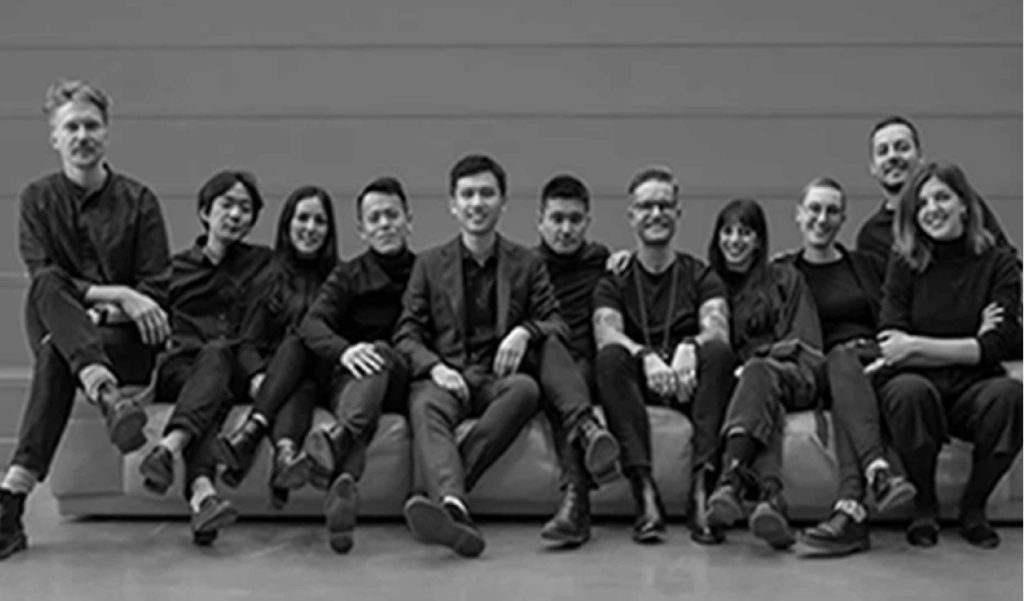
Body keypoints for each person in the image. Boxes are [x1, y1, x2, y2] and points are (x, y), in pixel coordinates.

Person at [396, 154, 609, 558]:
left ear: (503, 202)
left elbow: (557, 324)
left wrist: (524, 331)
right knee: (423, 404)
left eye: (487, 194)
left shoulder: (527, 263)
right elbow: (406, 334)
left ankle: (444, 498)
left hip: (499, 380)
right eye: (468, 195)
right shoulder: (428, 264)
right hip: (447, 378)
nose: (477, 203)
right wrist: (435, 367)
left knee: (526, 389)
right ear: (453, 204)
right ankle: (453, 506)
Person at [0, 79, 172, 560]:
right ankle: (107, 394)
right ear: (54, 138)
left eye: (91, 126)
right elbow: (44, 276)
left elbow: (157, 291)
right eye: (71, 127)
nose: (83, 136)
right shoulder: (36, 199)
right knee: (46, 285)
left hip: (126, 342)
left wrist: (102, 310)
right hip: (65, 320)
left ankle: (10, 498)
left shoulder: (140, 201)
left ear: (107, 133)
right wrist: (120, 294)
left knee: (57, 348)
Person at [873, 161, 1021, 549]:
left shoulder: (998, 262)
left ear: (965, 205)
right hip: (919, 384)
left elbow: (999, 344)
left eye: (942, 197)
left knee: (1010, 397)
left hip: (974, 387)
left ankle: (974, 508)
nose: (932, 209)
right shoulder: (904, 261)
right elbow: (891, 345)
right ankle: (925, 505)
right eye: (922, 203)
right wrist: (970, 342)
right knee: (908, 393)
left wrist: (916, 345)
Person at [592, 166, 735, 545]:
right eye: (646, 206)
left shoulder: (700, 275)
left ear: (678, 213)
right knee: (610, 358)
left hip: (690, 381)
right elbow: (606, 332)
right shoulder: (615, 278)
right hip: (639, 384)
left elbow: (718, 327)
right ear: (631, 215)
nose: (656, 214)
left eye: (664, 205)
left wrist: (691, 346)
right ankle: (644, 493)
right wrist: (646, 355)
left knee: (719, 353)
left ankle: (702, 489)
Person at [775, 177, 916, 557]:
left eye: (832, 211)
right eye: (814, 209)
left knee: (847, 387)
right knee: (840, 361)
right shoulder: (782, 272)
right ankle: (878, 467)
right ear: (799, 215)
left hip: (872, 361)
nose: (822, 218)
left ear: (843, 219)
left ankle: (850, 509)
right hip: (818, 368)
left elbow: (900, 309)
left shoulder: (867, 266)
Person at [136, 170, 272, 545]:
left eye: (245, 209)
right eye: (227, 205)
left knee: (218, 370)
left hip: (235, 372)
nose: (236, 215)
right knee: (214, 363)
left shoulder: (264, 263)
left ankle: (183, 469)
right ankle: (198, 490)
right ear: (205, 212)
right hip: (181, 368)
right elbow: (138, 307)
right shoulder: (174, 269)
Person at [296, 176, 417, 553]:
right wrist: (345, 351)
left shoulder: (426, 271)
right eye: (374, 218)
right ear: (362, 230)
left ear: (409, 220)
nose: (385, 224)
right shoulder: (348, 275)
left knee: (379, 352)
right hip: (351, 384)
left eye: (392, 215)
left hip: (402, 378)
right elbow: (311, 324)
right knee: (365, 384)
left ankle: (339, 438)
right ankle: (343, 484)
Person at [703, 198, 823, 550]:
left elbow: (805, 344)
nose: (735, 240)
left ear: (758, 240)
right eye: (727, 231)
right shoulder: (707, 284)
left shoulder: (785, 278)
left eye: (745, 232)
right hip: (746, 391)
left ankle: (732, 478)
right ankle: (771, 496)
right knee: (762, 403)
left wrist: (759, 360)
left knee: (757, 375)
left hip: (794, 374)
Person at [214, 185, 339, 509]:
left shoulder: (340, 278)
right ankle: (285, 458)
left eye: (319, 221)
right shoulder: (268, 275)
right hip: (276, 379)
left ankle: (252, 432)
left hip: (320, 375)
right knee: (299, 382)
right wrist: (257, 376)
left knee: (301, 339)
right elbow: (247, 343)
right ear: (287, 224)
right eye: (303, 218)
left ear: (329, 230)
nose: (310, 228)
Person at [533, 174, 621, 546]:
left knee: (572, 387)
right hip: (541, 364)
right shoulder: (525, 266)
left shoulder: (600, 259)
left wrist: (624, 261)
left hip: (585, 364)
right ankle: (586, 430)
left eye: (575, 219)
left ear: (587, 221)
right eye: (557, 219)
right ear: (540, 221)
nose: (566, 229)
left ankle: (575, 506)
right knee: (552, 353)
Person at [856, 115, 1014, 272]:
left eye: (902, 147)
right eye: (882, 151)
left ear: (920, 157)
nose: (892, 156)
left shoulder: (957, 202)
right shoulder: (871, 236)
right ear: (872, 167)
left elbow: (1008, 262)